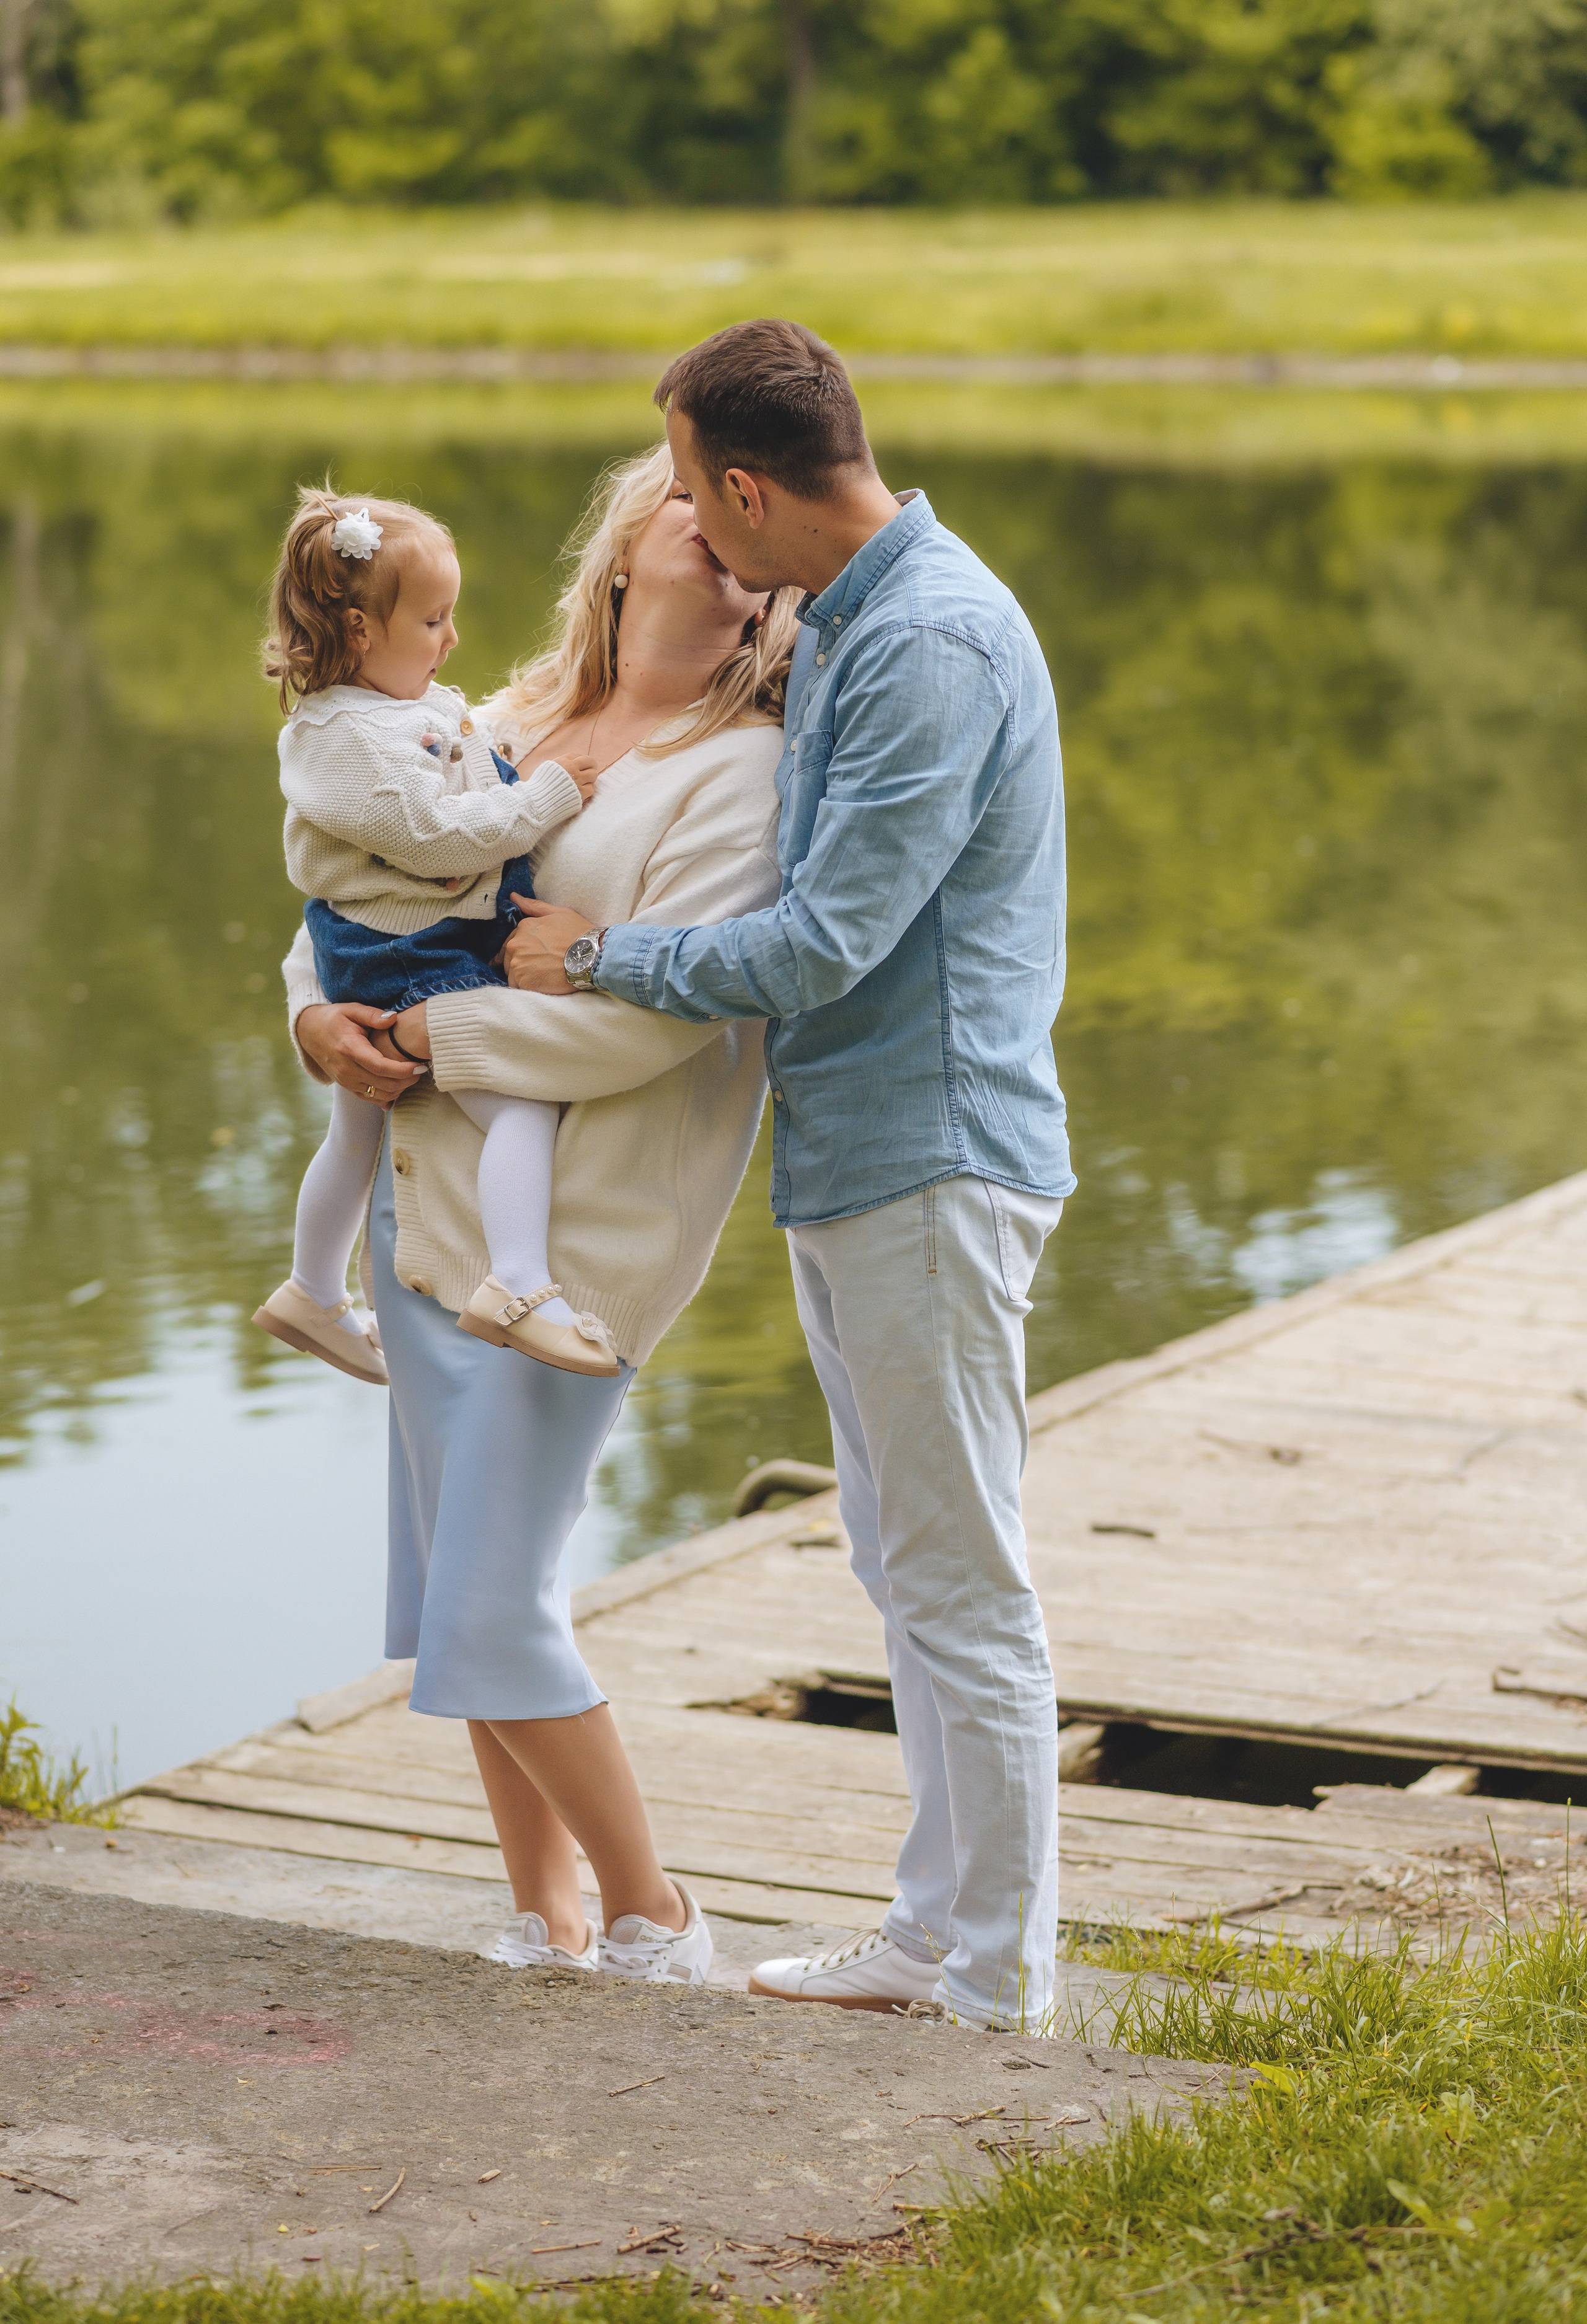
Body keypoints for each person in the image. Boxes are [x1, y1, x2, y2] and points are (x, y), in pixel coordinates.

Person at [492, 320, 1075, 2033]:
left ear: (747, 484)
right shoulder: (860, 619)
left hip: (937, 1155)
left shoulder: (935, 643)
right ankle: (930, 1931)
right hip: (865, 1157)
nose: (688, 523)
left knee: (963, 1575)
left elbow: (822, 942)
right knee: (904, 1563)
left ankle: (997, 1972)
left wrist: (598, 961)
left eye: (686, 488)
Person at [286, 444, 799, 1982]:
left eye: (743, 511)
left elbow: (656, 1025)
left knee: (495, 1599)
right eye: (690, 495)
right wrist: (315, 1021)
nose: (715, 521)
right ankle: (548, 1913)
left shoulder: (746, 768)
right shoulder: (487, 715)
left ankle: (657, 1915)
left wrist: (432, 1041)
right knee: (459, 1588)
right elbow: (345, 908)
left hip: (570, 1243)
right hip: (422, 1211)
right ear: (631, 537)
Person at [254, 485, 618, 1387]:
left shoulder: (383, 712)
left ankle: (311, 1291)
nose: (452, 638)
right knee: (524, 1106)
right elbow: (434, 837)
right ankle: (519, 1283)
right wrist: (544, 799)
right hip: (405, 959)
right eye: (433, 619)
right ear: (362, 634)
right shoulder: (348, 742)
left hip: (380, 947)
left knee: (355, 1131)